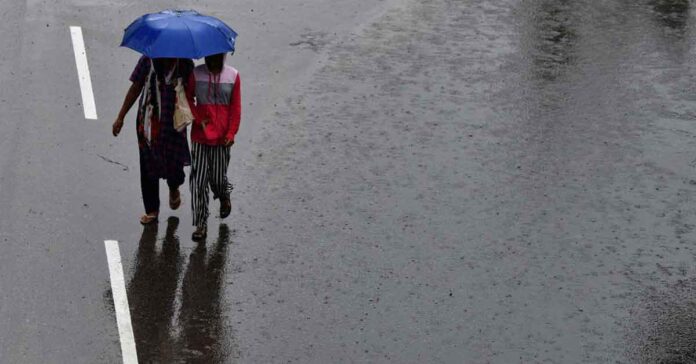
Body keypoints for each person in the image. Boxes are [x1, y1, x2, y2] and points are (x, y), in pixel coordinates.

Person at [113, 56, 195, 224]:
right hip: (148, 123)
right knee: (148, 163)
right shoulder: (147, 61)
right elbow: (135, 87)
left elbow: (192, 92)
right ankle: (152, 209)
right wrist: (121, 117)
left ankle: (174, 187)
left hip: (174, 123)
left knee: (174, 161)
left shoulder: (185, 64)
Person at [186, 52, 241, 240]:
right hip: (200, 137)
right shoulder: (196, 74)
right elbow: (187, 98)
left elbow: (235, 108)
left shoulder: (233, 76)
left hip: (222, 139)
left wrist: (231, 133)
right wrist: (198, 118)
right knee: (198, 181)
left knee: (217, 178)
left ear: (223, 56)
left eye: (216, 57)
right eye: (209, 57)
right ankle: (201, 223)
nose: (212, 60)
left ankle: (223, 195)